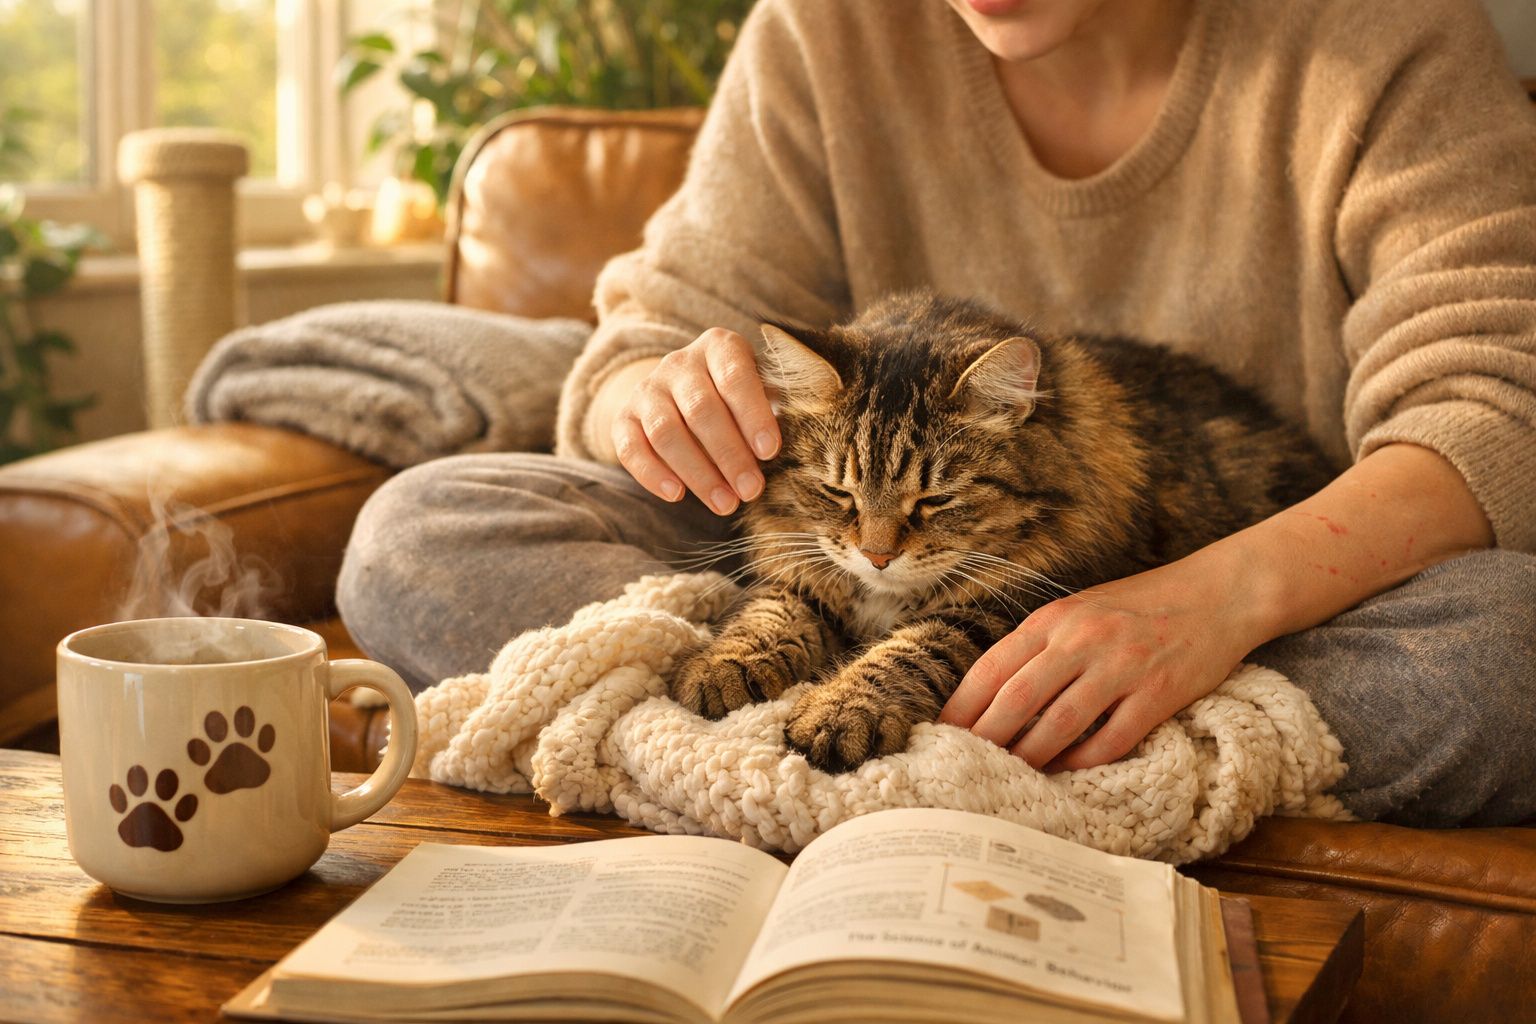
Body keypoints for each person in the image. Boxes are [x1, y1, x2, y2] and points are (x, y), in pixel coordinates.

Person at [338, 0, 1536, 826]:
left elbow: (1493, 408)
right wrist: (656, 400)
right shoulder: (824, 28)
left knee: (1510, 652)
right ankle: (1041, 762)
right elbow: (641, 343)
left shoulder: (1384, 38)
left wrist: (1210, 602)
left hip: (1243, 594)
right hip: (829, 570)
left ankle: (771, 775)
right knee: (419, 533)